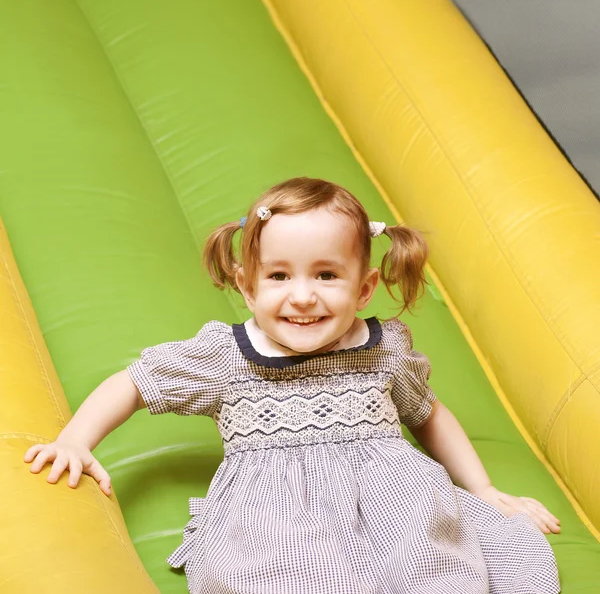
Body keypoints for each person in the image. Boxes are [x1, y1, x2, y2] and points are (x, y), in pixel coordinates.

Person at [24, 177, 561, 593]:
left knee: (441, 567)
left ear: (365, 286)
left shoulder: (382, 349)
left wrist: (483, 490)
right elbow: (136, 382)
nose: (302, 296)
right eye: (279, 276)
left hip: (398, 509)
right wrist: (75, 440)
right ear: (248, 285)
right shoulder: (226, 356)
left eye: (326, 275)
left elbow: (428, 413)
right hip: (277, 523)